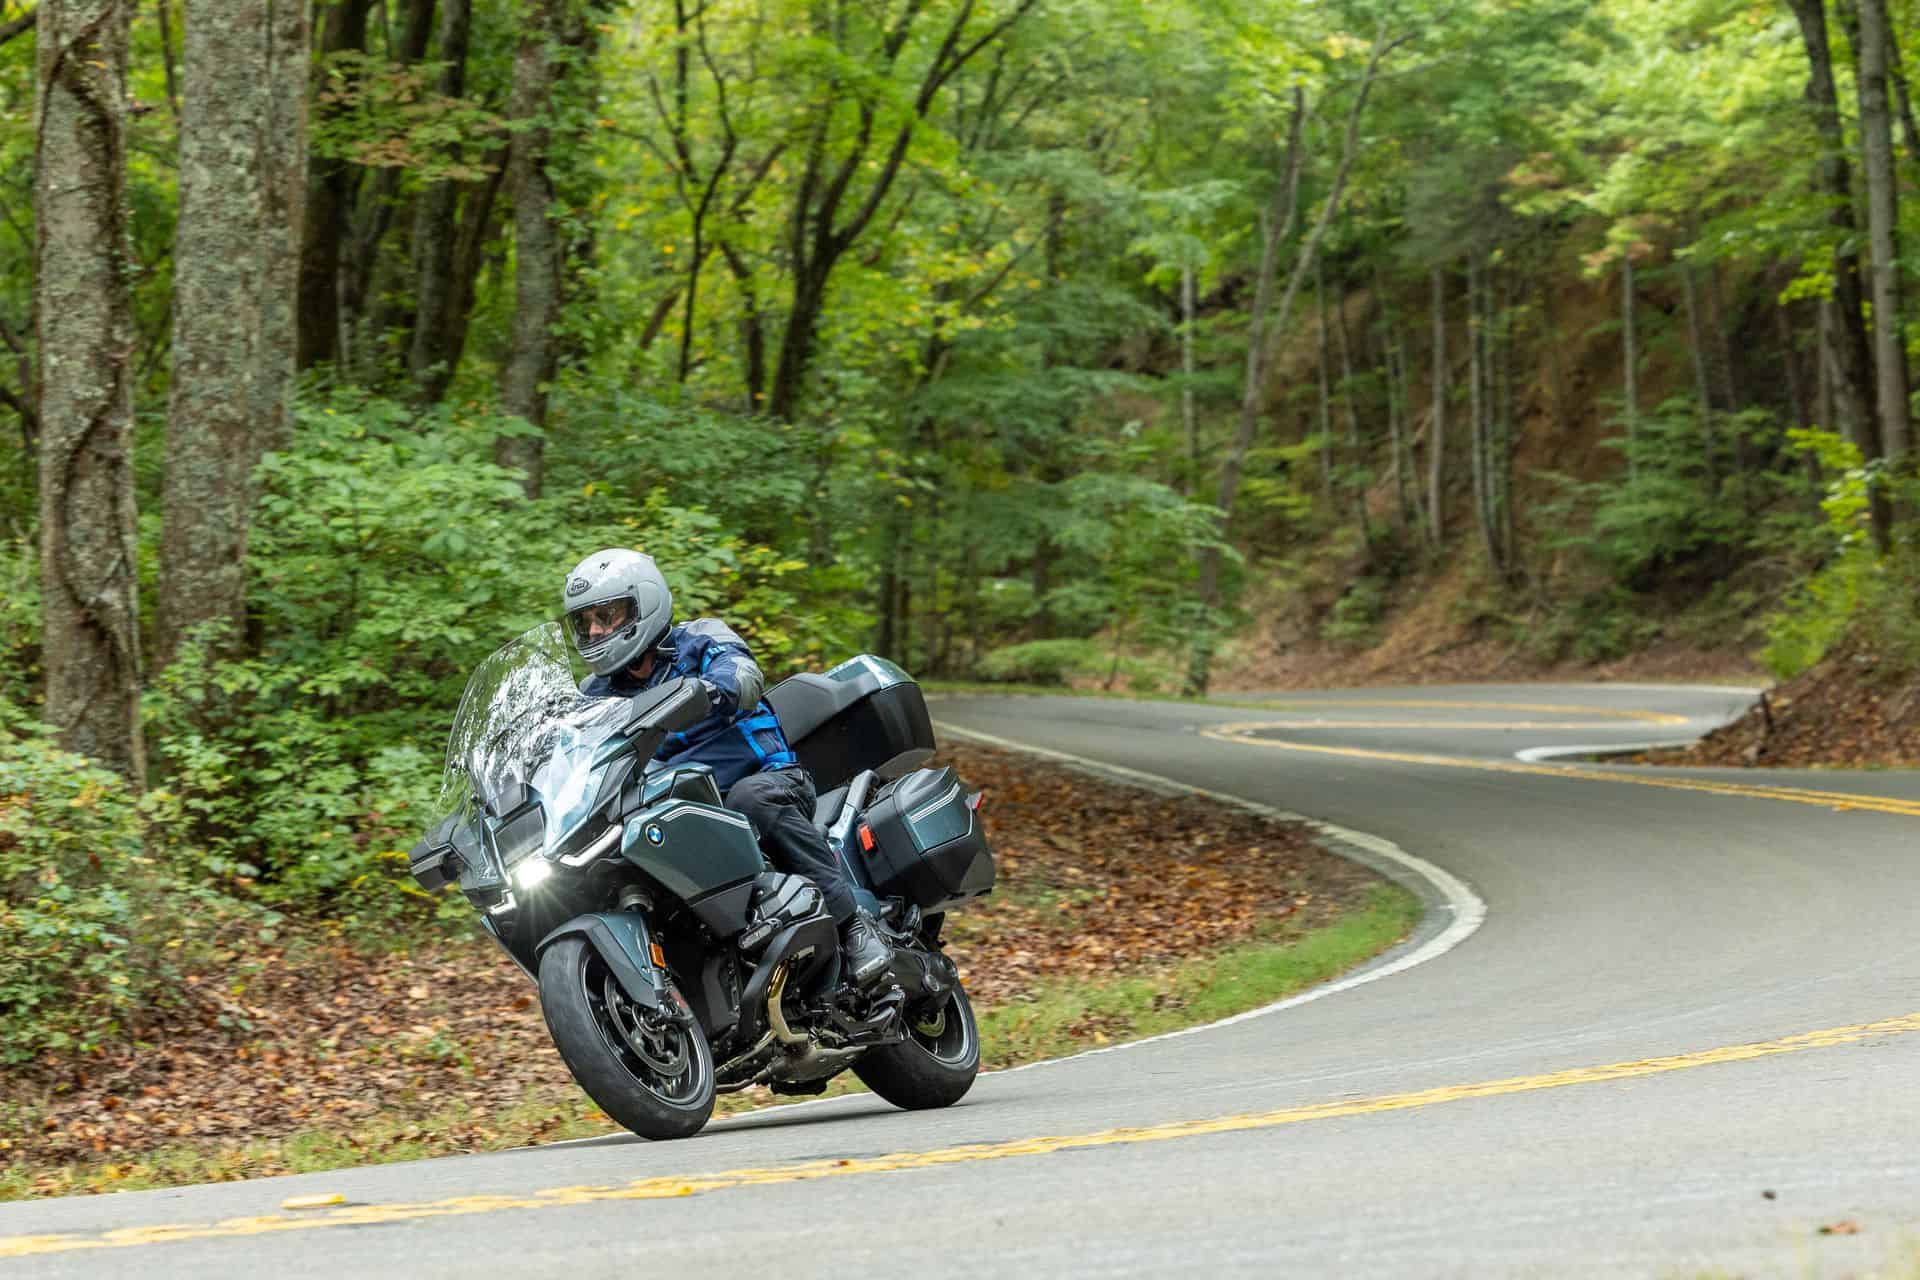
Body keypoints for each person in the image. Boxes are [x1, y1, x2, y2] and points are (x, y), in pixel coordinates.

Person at [561, 547, 892, 986]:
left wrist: (712, 689)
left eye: (607, 616)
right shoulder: (595, 692)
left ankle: (854, 926)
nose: (596, 631)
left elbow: (743, 674)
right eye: (585, 622)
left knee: (750, 800)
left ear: (645, 602)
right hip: (674, 804)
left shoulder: (699, 639)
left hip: (764, 779)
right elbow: (570, 745)